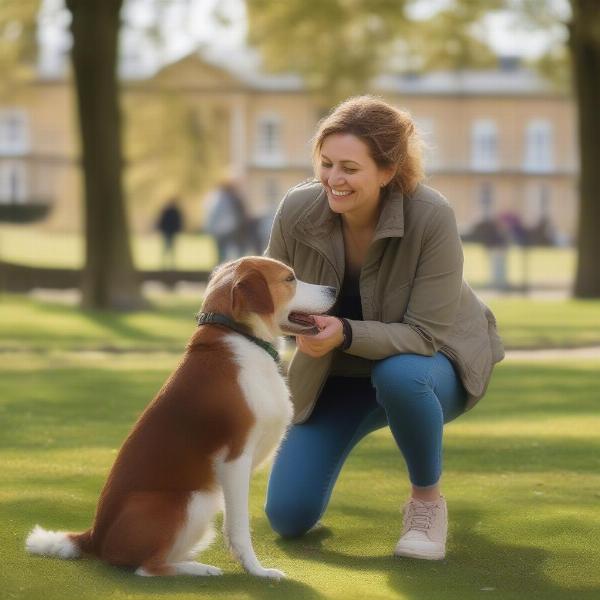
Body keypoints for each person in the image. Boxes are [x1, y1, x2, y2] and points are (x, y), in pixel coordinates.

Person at [263, 96, 504, 561]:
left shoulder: (430, 216)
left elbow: (425, 336)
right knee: (287, 517)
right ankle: (383, 416)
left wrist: (346, 334)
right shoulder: (297, 209)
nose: (334, 179)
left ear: (388, 171)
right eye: (326, 163)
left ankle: (426, 504)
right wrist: (299, 336)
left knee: (400, 376)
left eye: (350, 168)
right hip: (337, 379)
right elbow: (276, 298)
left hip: (431, 369)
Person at [204, 178, 250, 262]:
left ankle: (223, 264)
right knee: (231, 249)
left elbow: (210, 214)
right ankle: (228, 264)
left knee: (223, 249)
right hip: (230, 228)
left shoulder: (215, 198)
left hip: (223, 229)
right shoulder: (230, 199)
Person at [156, 198, 183, 269]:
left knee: (170, 247)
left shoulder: (172, 211)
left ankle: (170, 262)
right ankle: (165, 262)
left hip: (170, 231)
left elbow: (177, 222)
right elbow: (162, 221)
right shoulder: (168, 211)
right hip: (167, 231)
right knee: (167, 246)